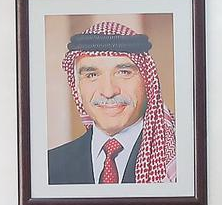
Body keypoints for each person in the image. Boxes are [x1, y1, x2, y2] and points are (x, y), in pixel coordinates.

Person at [47, 21, 176, 185]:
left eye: (124, 72)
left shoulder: (178, 162)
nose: (108, 92)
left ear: (147, 82)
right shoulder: (50, 166)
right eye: (92, 75)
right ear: (77, 88)